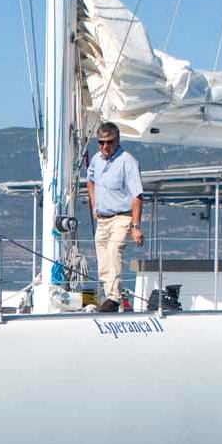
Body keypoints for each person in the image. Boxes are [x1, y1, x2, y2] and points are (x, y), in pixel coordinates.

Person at [86, 121, 144, 313]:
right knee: (102, 259)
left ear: (117, 140)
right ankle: (108, 295)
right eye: (101, 142)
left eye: (109, 142)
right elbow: (91, 180)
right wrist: (94, 205)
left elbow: (137, 196)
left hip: (122, 217)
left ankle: (114, 298)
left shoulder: (128, 161)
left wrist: (136, 227)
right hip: (102, 218)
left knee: (113, 251)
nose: (105, 147)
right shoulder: (96, 159)